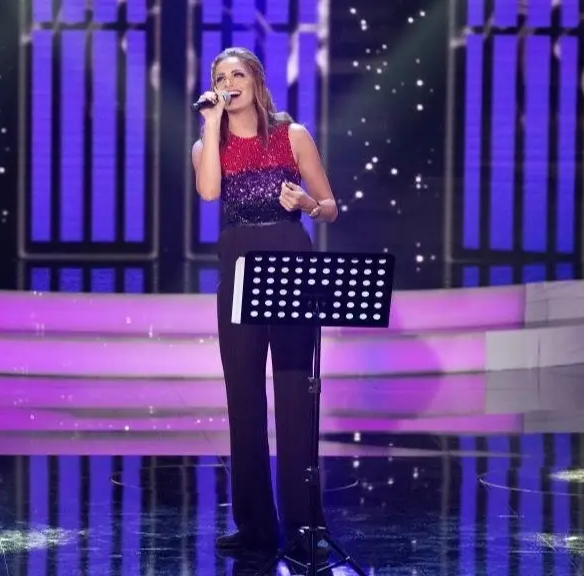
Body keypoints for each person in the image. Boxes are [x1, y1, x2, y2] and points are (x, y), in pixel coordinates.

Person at [191, 47, 339, 558]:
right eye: (220, 77)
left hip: (291, 262)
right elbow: (209, 193)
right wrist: (211, 124)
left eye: (237, 74)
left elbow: (331, 207)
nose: (229, 83)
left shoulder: (292, 135)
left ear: (255, 80)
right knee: (244, 400)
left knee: (296, 396)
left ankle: (303, 525)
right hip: (238, 266)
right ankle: (255, 526)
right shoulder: (207, 144)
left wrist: (308, 204)